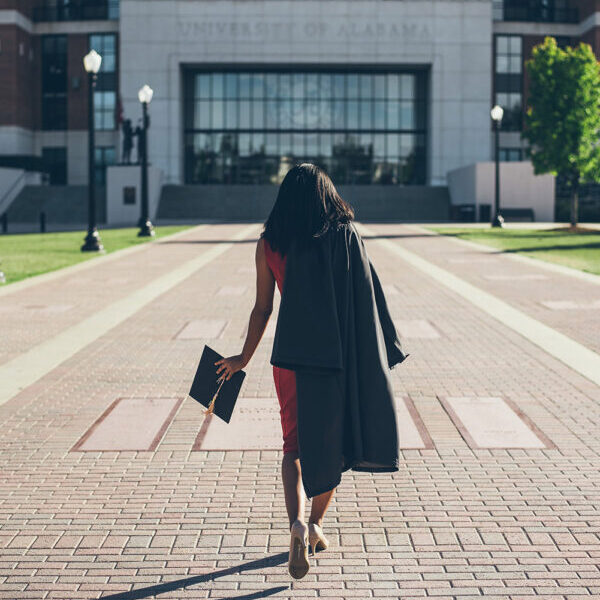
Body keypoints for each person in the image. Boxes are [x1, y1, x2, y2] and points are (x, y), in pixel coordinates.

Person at [215, 163, 408, 580]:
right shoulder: (343, 237)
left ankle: (297, 524)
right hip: (334, 358)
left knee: (294, 446)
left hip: (291, 358)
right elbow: (366, 296)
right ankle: (318, 523)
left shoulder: (270, 244)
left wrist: (242, 359)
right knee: (330, 444)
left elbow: (262, 309)